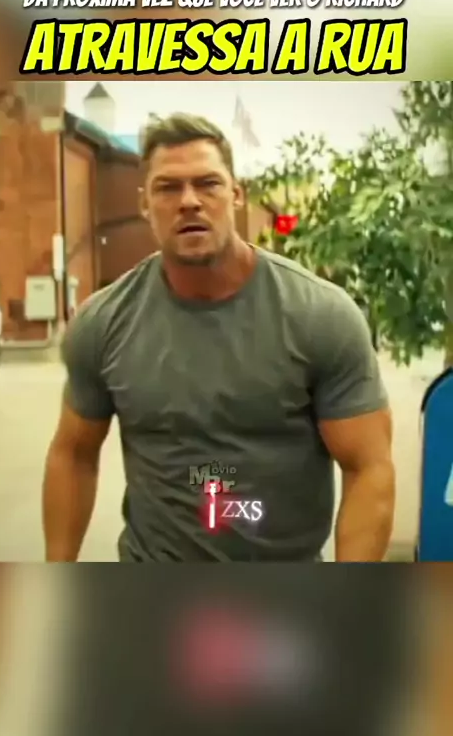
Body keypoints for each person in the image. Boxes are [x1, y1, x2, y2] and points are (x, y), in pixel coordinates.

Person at [42, 113, 395, 563]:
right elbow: (73, 454)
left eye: (208, 183)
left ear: (236, 194)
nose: (189, 201)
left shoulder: (319, 315)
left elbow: (369, 467)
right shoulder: (104, 322)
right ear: (145, 204)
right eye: (168, 188)